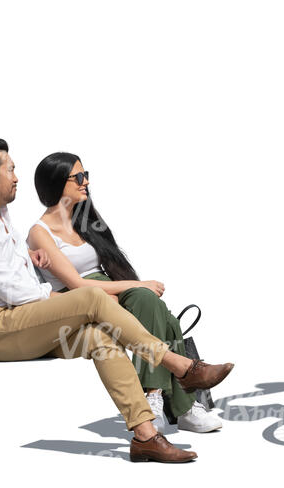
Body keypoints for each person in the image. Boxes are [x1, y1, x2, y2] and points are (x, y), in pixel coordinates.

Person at [0, 138, 234, 463]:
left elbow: (2, 273)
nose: (16, 177)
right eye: (10, 169)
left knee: (101, 337)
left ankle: (146, 437)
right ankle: (181, 366)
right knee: (91, 297)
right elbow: (16, 293)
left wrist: (28, 257)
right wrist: (55, 297)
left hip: (25, 324)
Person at [26, 152, 222, 433]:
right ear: (56, 182)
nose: (85, 182)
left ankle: (156, 397)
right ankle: (182, 405)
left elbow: (110, 270)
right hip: (77, 300)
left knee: (154, 308)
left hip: (107, 287)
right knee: (155, 309)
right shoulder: (40, 232)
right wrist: (138, 285)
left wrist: (136, 289)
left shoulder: (85, 220)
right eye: (78, 177)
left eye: (86, 175)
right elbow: (78, 285)